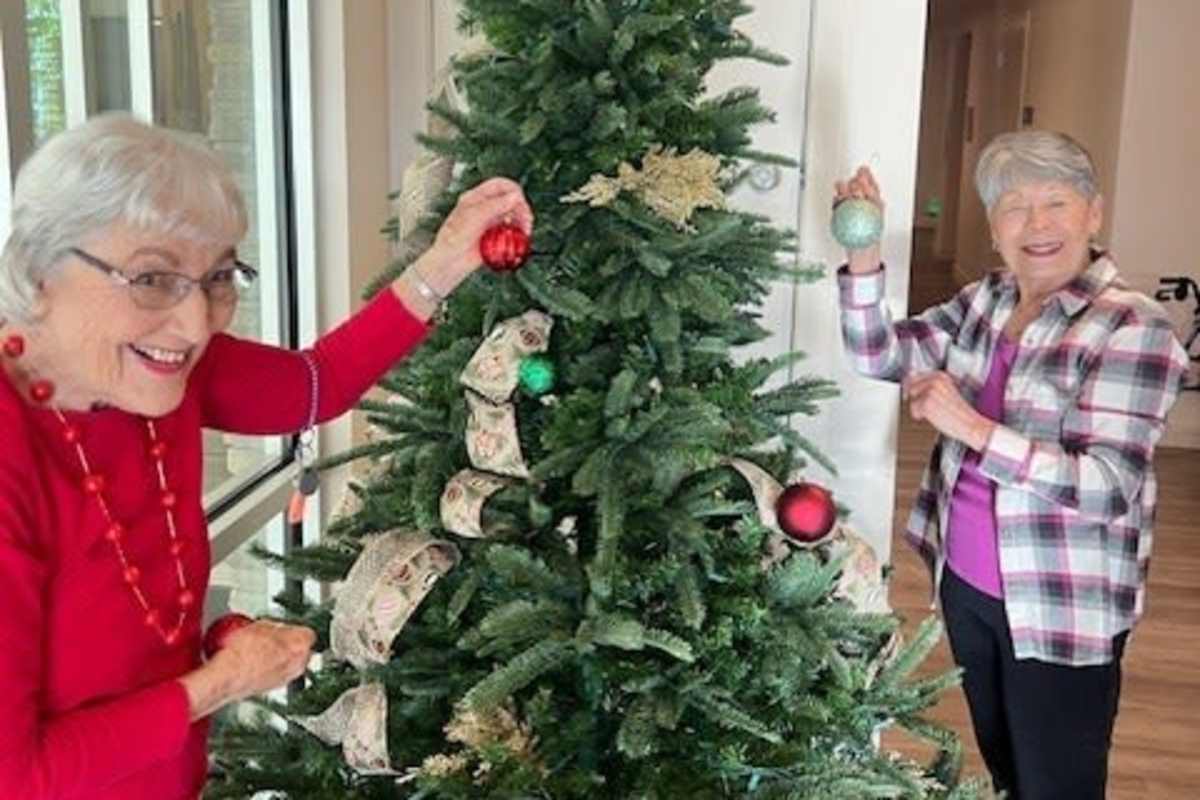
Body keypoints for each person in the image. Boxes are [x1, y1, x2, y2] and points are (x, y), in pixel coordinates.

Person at [0, 113, 532, 800]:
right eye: (152, 280)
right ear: (38, 269)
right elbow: (15, 774)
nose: (195, 326)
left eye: (218, 278)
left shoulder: (152, 372)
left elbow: (319, 383)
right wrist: (223, 682)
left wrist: (448, 258)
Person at [835, 130, 1188, 799]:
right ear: (994, 226)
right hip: (965, 583)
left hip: (1059, 605)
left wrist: (970, 426)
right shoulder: (985, 302)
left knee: (1057, 784)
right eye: (1014, 207)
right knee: (1006, 769)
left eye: (1056, 202)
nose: (1037, 225)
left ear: (1094, 213)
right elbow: (879, 354)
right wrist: (862, 256)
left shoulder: (1132, 329)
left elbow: (1106, 487)